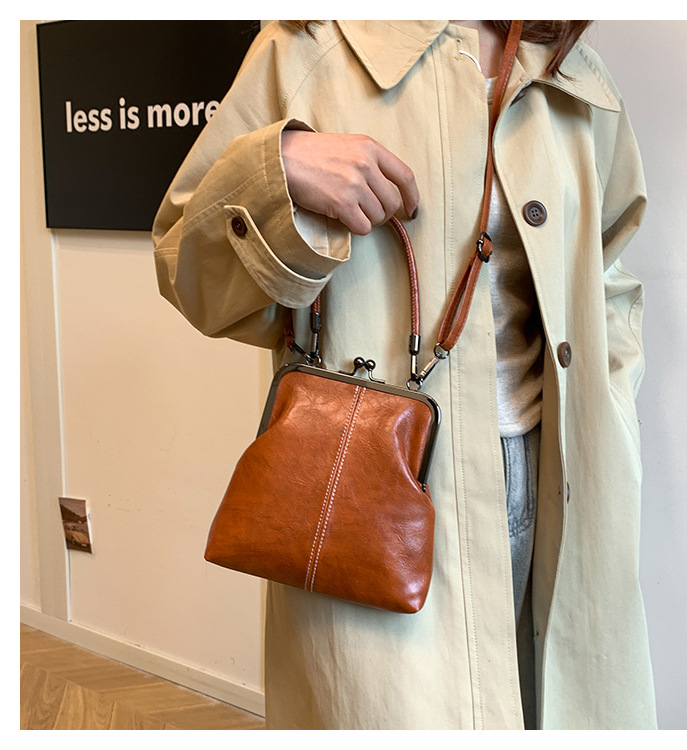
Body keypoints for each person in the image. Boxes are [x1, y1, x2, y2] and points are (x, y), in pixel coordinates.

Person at [152, 20, 657, 730]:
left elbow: (608, 274)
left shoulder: (571, 67)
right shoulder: (312, 47)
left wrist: (615, 408)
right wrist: (280, 171)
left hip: (559, 476)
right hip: (372, 487)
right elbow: (186, 268)